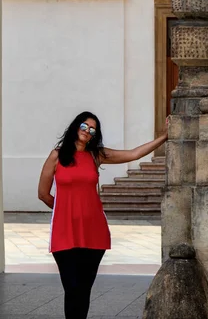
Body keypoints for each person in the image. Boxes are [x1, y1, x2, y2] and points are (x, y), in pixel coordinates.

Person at [38, 110, 169, 319]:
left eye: (92, 130)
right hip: (65, 232)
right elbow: (43, 194)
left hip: (94, 231)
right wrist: (66, 210)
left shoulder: (95, 155)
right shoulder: (57, 155)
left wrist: (164, 136)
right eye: (84, 126)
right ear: (75, 127)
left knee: (83, 289)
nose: (87, 131)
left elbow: (133, 154)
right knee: (72, 288)